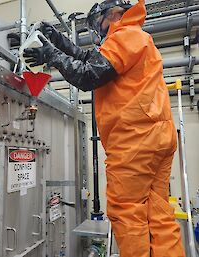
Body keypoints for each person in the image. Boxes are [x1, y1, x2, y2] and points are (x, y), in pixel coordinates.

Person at [23, 0, 186, 256]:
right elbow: (92, 59)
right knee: (158, 212)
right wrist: (58, 41)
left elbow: (89, 75)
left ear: (112, 15)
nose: (96, 31)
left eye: (97, 24)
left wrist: (52, 56)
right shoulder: (136, 38)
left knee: (127, 211)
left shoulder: (125, 34)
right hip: (157, 137)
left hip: (135, 140)